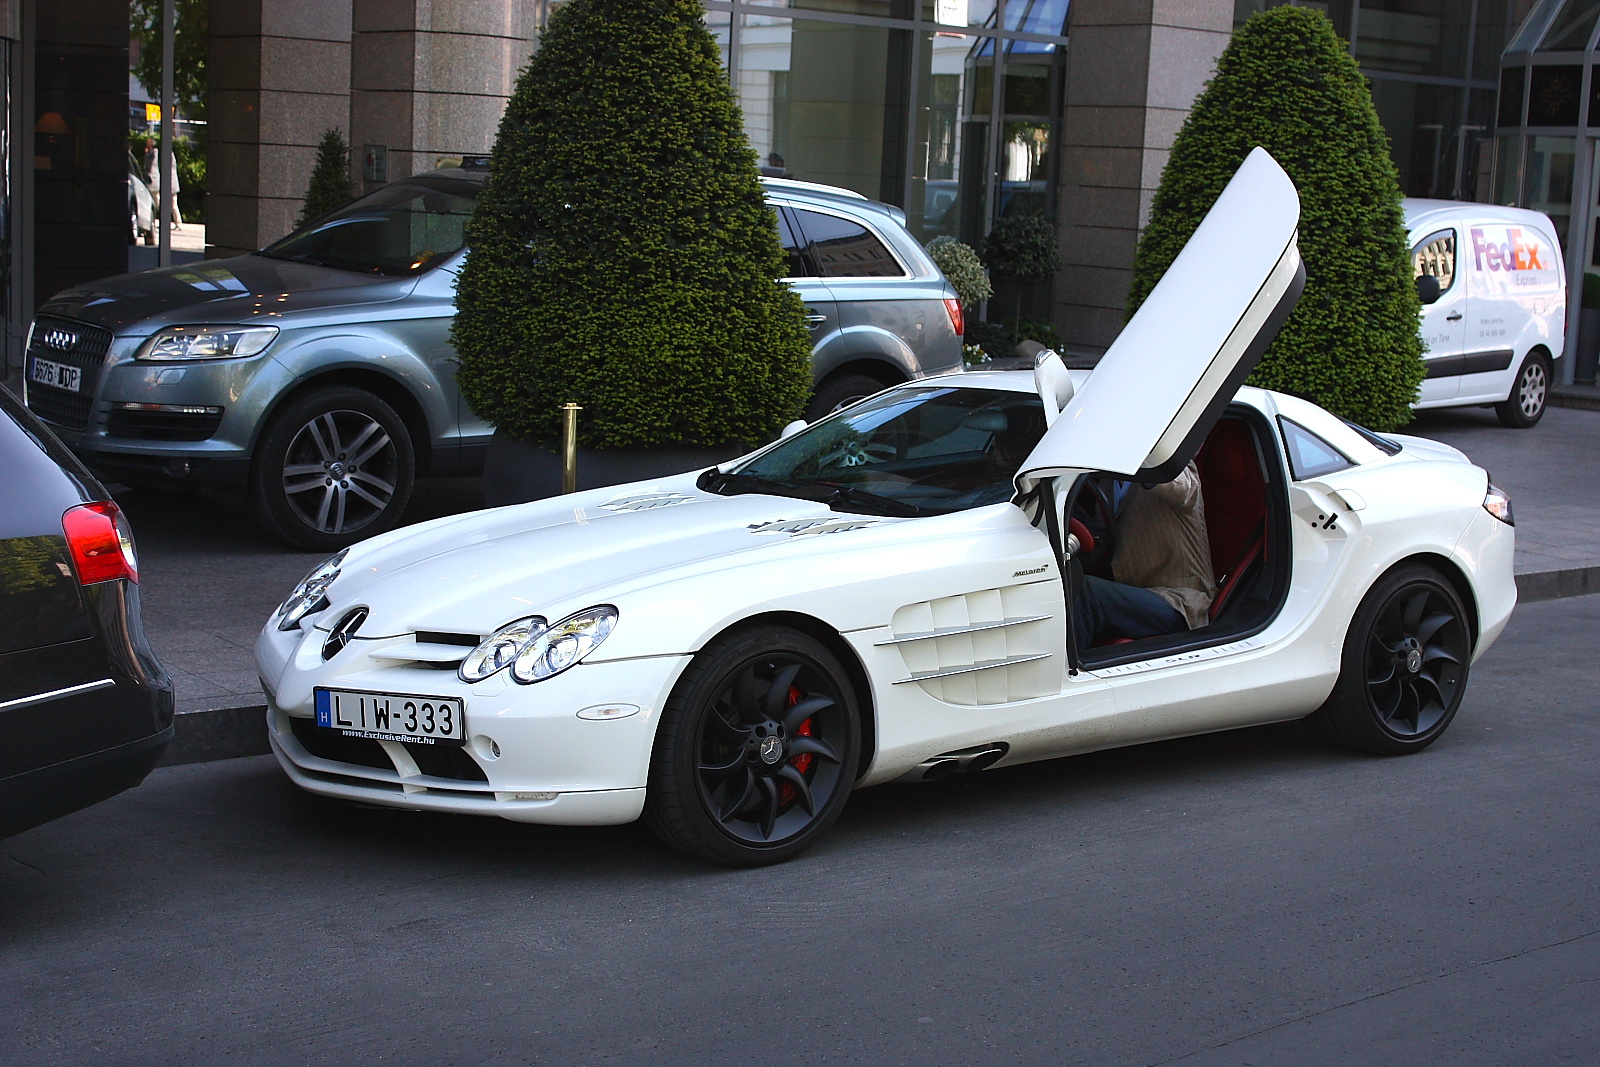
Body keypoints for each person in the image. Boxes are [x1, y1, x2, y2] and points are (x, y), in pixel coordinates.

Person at [1073, 460, 1215, 648]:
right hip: (1135, 595)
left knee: (1087, 593)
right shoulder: (1107, 482)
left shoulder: (1175, 465)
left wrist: (1140, 458)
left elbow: (1186, 488)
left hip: (1179, 601)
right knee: (1071, 582)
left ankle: (1061, 673)